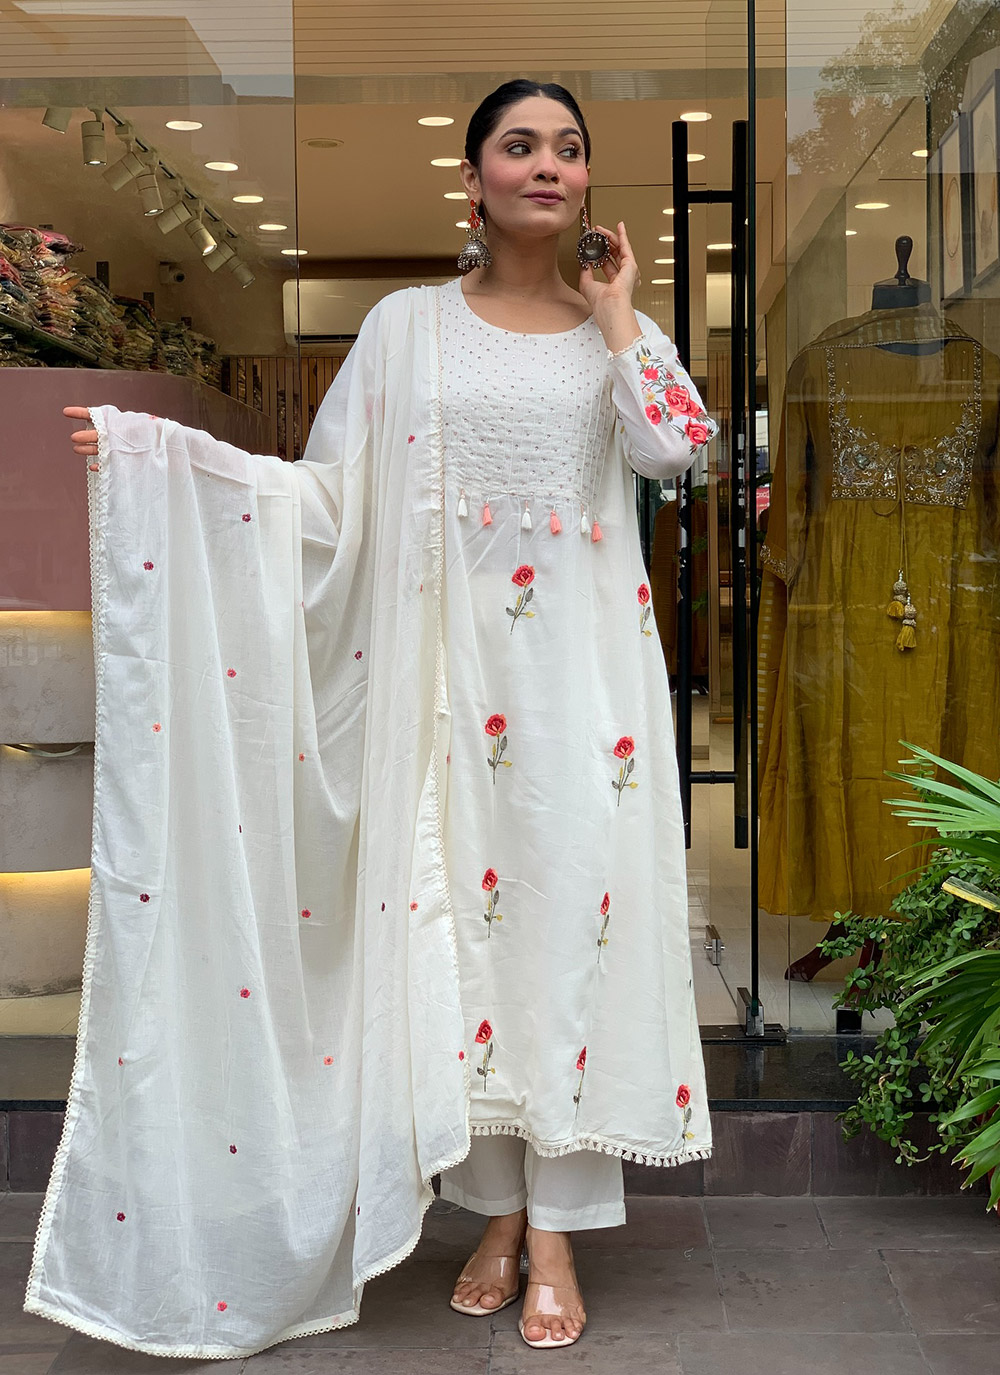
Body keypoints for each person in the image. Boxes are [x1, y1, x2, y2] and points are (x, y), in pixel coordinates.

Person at [46, 80, 715, 1357]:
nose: (547, 165)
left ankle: (557, 1232)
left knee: (565, 937)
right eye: (519, 146)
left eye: (569, 149)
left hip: (584, 696)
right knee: (465, 945)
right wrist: (166, 463)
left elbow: (674, 450)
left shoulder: (618, 334)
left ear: (587, 182)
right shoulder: (407, 328)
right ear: (473, 181)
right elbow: (330, 495)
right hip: (443, 692)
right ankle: (498, 1215)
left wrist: (618, 309)